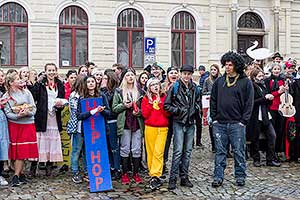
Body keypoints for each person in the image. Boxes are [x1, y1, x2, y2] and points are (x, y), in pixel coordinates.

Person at [210, 51, 254, 187]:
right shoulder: (219, 81)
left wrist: (243, 121)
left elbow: (249, 103)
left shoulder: (245, 82)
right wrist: (214, 118)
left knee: (239, 151)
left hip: (237, 124)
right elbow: (213, 100)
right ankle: (218, 177)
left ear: (236, 66)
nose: (227, 67)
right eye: (226, 64)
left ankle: (240, 176)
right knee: (220, 152)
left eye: (230, 65)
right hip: (220, 124)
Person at [164, 64, 201, 190]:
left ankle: (184, 177)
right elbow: (166, 105)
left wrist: (196, 109)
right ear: (181, 74)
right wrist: (179, 110)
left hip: (190, 122)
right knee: (178, 151)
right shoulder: (174, 87)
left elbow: (198, 102)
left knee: (188, 151)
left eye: (189, 74)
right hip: (178, 122)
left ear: (191, 75)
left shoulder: (195, 88)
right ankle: (173, 178)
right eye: (184, 73)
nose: (186, 76)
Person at [3, 71, 39, 186]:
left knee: (23, 152)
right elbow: (8, 112)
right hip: (14, 125)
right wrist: (18, 115)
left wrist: (27, 112)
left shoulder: (27, 93)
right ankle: (19, 175)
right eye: (17, 79)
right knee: (16, 152)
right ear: (11, 82)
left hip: (27, 124)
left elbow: (34, 109)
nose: (20, 80)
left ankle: (17, 175)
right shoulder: (6, 96)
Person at [31, 63, 65, 176]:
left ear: (56, 71)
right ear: (45, 72)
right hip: (42, 116)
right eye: (49, 70)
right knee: (39, 142)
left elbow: (62, 99)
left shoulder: (60, 84)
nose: (51, 72)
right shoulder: (40, 84)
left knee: (52, 142)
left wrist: (61, 105)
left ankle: (49, 166)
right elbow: (34, 97)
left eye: (53, 70)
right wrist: (35, 83)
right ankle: (33, 167)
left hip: (54, 116)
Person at [112, 68, 144, 185]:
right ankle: (125, 173)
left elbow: (144, 109)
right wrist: (124, 105)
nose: (130, 77)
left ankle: (135, 173)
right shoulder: (119, 91)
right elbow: (114, 108)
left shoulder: (140, 91)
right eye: (128, 75)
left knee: (136, 149)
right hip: (125, 123)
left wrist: (139, 112)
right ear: (124, 78)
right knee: (125, 148)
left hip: (137, 123)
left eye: (132, 75)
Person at [77, 75, 110, 182]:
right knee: (87, 152)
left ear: (96, 83)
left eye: (93, 81)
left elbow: (109, 113)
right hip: (88, 129)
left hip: (100, 129)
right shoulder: (82, 98)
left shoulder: (102, 96)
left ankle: (102, 173)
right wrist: (92, 112)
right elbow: (79, 116)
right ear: (85, 84)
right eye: (88, 82)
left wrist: (102, 111)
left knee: (101, 150)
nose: (91, 83)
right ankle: (88, 172)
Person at [247, 69, 280, 167]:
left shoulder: (263, 86)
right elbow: (252, 102)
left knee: (272, 136)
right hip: (255, 115)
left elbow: (267, 102)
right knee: (255, 138)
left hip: (265, 115)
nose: (262, 78)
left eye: (263, 76)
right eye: (260, 76)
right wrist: (264, 98)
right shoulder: (251, 87)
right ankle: (256, 159)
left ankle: (270, 158)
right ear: (254, 77)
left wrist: (269, 98)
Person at [142, 77, 169, 190]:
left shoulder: (164, 97)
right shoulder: (145, 99)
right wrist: (151, 104)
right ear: (149, 87)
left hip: (162, 128)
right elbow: (145, 114)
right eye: (153, 85)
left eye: (157, 84)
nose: (155, 87)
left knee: (158, 152)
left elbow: (167, 113)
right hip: (150, 127)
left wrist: (160, 103)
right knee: (151, 152)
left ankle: (156, 175)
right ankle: (152, 173)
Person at [100, 71, 122, 180]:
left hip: (112, 121)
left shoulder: (115, 92)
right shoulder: (101, 92)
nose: (102, 80)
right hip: (103, 122)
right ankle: (111, 167)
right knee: (107, 147)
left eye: (105, 78)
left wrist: (105, 111)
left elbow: (113, 110)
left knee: (114, 146)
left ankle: (117, 168)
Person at [265, 63, 287, 161]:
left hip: (282, 108)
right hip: (271, 108)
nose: (277, 70)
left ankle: (278, 151)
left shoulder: (283, 80)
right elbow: (268, 95)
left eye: (278, 69)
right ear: (271, 70)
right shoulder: (267, 80)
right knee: (271, 132)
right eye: (275, 69)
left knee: (280, 130)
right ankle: (271, 152)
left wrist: (286, 90)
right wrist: (278, 92)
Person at [67, 76, 85, 183]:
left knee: (86, 150)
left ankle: (87, 170)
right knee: (76, 149)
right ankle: (75, 171)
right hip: (77, 126)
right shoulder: (74, 96)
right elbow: (74, 111)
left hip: (87, 126)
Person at [202, 64, 221, 152]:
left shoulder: (221, 79)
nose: (213, 71)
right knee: (211, 124)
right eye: (211, 70)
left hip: (220, 104)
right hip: (210, 104)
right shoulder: (207, 80)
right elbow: (204, 91)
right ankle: (213, 145)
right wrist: (210, 93)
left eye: (215, 69)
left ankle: (220, 145)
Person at [0, 69, 9, 186]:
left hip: (2, 119)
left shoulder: (5, 90)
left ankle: (0, 173)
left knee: (2, 145)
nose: (1, 77)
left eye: (2, 75)